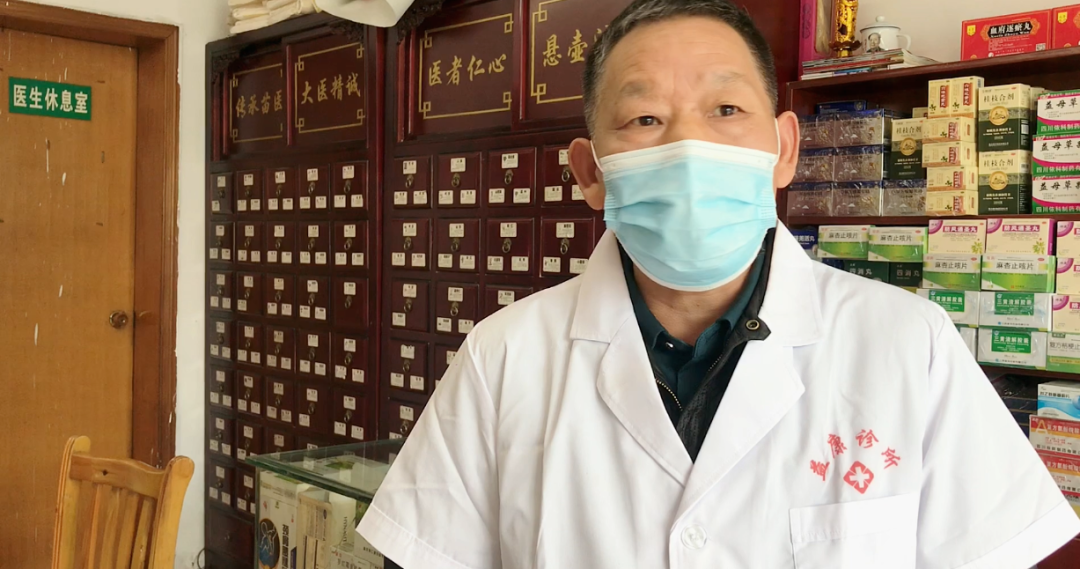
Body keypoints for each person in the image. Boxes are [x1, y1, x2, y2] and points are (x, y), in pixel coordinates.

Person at [358, 0, 1080, 567]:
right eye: (644, 118)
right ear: (589, 172)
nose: (688, 147)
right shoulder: (504, 356)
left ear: (785, 150)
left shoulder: (908, 344)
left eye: (726, 111)